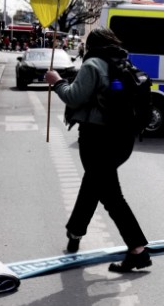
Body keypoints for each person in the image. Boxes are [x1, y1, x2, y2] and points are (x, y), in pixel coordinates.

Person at [44, 28, 151, 273]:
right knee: (95, 184)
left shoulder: (92, 64)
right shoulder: (121, 61)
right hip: (124, 139)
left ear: (91, 45)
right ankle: (75, 231)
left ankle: (138, 250)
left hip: (97, 138)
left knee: (111, 196)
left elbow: (74, 97)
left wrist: (57, 81)